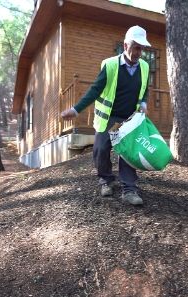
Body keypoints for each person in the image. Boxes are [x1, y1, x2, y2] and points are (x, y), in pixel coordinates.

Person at [61, 25, 151, 206]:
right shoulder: (110, 65)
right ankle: (106, 181)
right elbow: (95, 90)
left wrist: (143, 104)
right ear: (126, 46)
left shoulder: (144, 67)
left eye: (142, 48)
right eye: (136, 47)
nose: (139, 52)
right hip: (109, 117)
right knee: (101, 149)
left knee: (128, 153)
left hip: (130, 118)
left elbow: (145, 90)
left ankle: (129, 189)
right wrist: (76, 109)